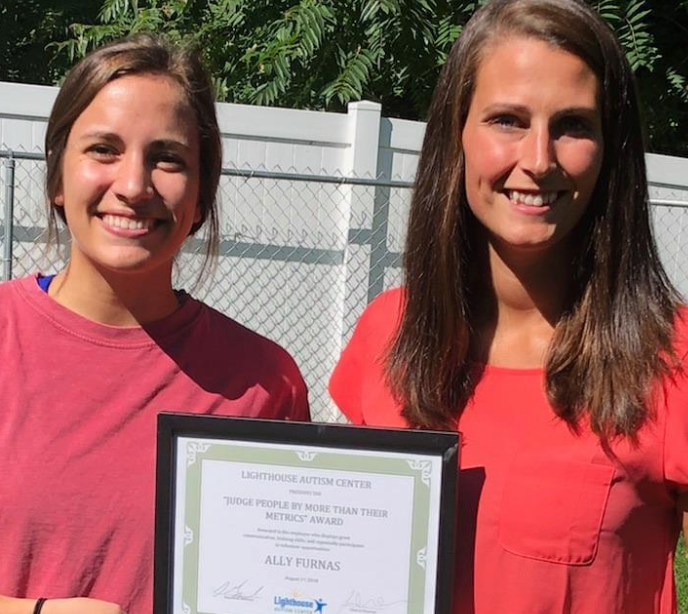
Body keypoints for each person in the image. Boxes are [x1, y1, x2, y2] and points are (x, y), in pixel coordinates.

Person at [329, 0, 688, 612]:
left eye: (573, 125)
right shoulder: (387, 332)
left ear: (610, 151)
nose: (539, 159)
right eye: (507, 120)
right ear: (457, 134)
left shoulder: (672, 356)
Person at [0, 35, 309, 614]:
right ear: (58, 178)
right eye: (103, 149)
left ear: (202, 194)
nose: (135, 185)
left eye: (167, 157)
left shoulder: (265, 381)